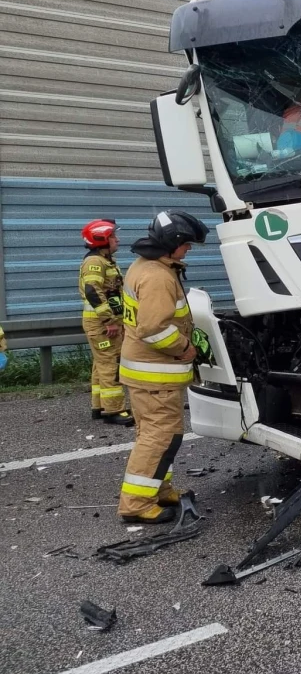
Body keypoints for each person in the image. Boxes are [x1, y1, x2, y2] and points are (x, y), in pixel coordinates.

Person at [117, 211, 209, 524]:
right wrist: (185, 348)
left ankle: (158, 488)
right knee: (158, 438)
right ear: (172, 242)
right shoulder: (157, 277)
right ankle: (137, 504)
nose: (189, 249)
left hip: (146, 372)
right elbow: (153, 328)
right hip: (154, 373)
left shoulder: (146, 266)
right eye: (187, 243)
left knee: (159, 436)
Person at [79, 219, 134, 426]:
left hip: (103, 323)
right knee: (110, 364)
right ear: (101, 239)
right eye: (112, 237)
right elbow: (93, 291)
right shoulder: (95, 262)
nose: (117, 240)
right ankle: (114, 410)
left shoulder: (104, 261)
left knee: (101, 364)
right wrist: (109, 321)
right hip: (102, 324)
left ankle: (100, 407)